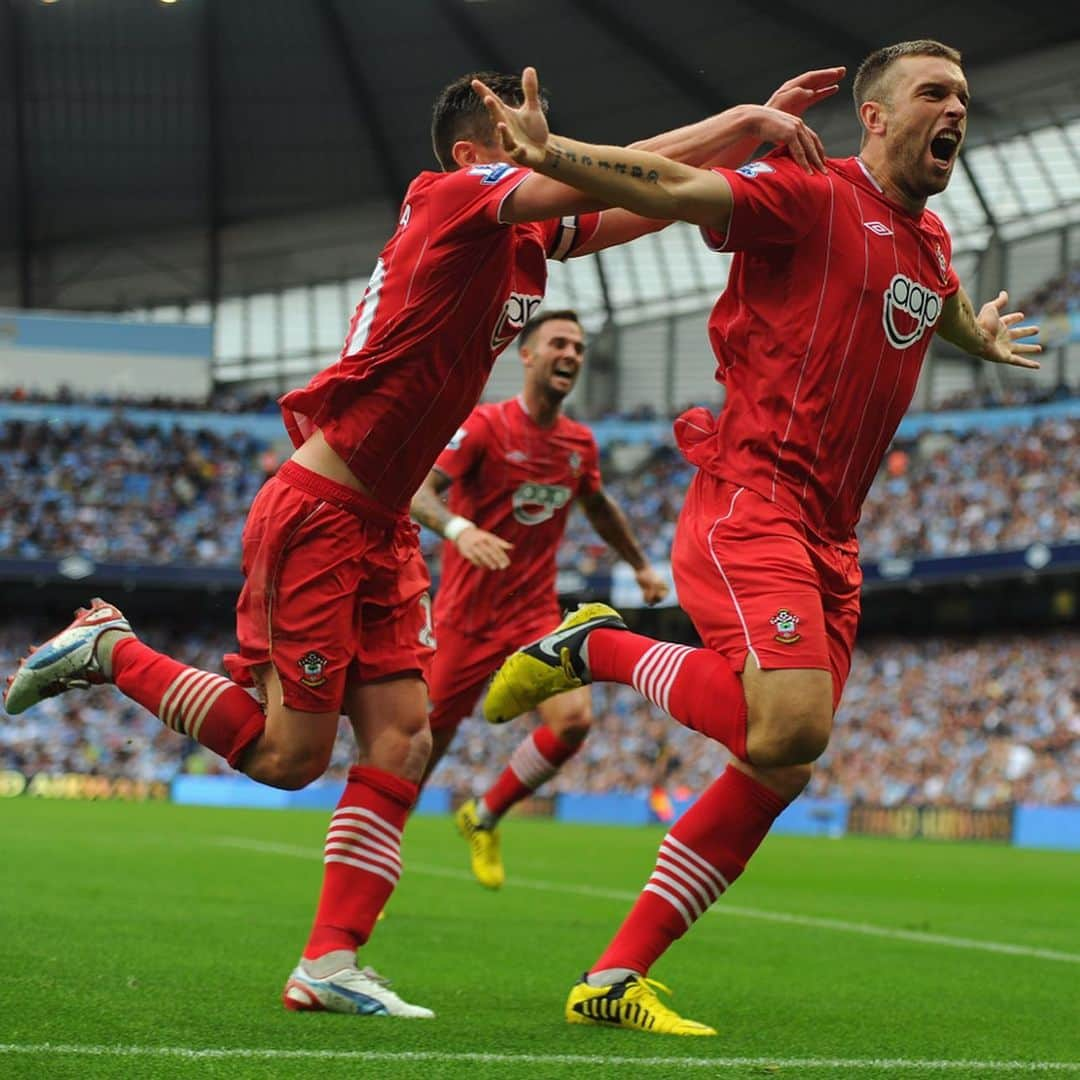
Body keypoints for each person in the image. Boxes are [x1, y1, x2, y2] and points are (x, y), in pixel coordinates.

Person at [4, 66, 841, 1021]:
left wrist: (749, 143)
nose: (539, 143)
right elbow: (586, 176)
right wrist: (738, 118)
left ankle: (328, 961)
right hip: (322, 506)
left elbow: (637, 198)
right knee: (289, 757)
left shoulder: (522, 241)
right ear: (472, 155)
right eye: (517, 137)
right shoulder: (449, 200)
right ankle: (110, 649)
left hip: (383, 521)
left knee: (401, 740)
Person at [477, 42, 1041, 1036]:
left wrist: (975, 338)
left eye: (963, 95)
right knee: (791, 727)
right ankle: (595, 646)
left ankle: (612, 980)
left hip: (834, 536)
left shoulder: (936, 241)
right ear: (874, 117)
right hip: (755, 500)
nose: (957, 108)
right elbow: (679, 187)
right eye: (934, 93)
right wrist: (556, 152)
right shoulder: (808, 195)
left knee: (781, 764)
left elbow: (931, 298)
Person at [410, 307, 668, 889]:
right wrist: (459, 530)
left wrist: (641, 565)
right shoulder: (484, 426)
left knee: (574, 721)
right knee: (420, 751)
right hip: (465, 618)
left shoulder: (578, 443)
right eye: (559, 343)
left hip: (532, 616)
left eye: (578, 347)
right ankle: (375, 867)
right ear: (526, 355)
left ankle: (485, 814)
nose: (572, 355)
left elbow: (599, 508)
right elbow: (420, 492)